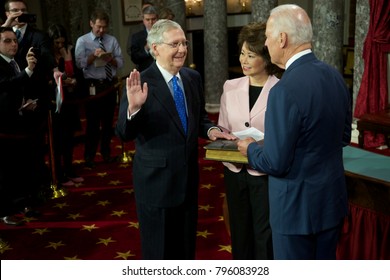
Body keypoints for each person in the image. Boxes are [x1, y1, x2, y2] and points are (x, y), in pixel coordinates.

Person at [237, 4, 352, 260]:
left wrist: (251, 149)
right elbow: (342, 137)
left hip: (295, 214)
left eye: (267, 36)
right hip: (330, 205)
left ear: (282, 38)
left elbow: (275, 163)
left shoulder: (283, 90)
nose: (265, 43)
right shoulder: (335, 77)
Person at [116, 19, 235, 260]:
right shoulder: (139, 82)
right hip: (156, 185)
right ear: (155, 48)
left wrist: (211, 131)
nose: (182, 49)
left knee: (185, 251)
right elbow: (124, 134)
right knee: (160, 254)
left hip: (188, 181)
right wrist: (134, 109)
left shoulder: (192, 77)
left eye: (184, 43)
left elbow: (198, 118)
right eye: (175, 44)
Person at [218, 22, 282, 260]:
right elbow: (224, 128)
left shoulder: (281, 90)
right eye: (242, 53)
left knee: (264, 235)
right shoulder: (230, 86)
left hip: (266, 174)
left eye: (251, 55)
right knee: (239, 231)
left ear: (266, 59)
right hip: (235, 171)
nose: (244, 60)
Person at [2, 0, 58, 213]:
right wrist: (6, 25)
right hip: (8, 113)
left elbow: (46, 54)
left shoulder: (38, 35)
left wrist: (53, 69)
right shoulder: (4, 34)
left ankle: (33, 194)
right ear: (7, 13)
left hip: (32, 100)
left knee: (33, 153)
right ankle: (16, 201)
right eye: (15, 11)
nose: (20, 14)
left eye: (24, 11)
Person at [75, 9, 124, 167]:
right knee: (93, 124)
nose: (101, 30)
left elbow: (121, 62)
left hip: (109, 84)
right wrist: (93, 56)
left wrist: (109, 58)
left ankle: (106, 154)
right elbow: (80, 64)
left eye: (104, 27)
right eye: (98, 27)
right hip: (93, 86)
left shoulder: (111, 40)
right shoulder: (82, 41)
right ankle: (89, 157)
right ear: (91, 23)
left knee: (108, 122)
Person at [0, 26, 38, 226]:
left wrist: (27, 102)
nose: (13, 44)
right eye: (7, 41)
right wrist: (28, 71)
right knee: (6, 171)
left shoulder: (16, 61)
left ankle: (23, 204)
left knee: (22, 168)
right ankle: (6, 211)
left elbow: (18, 88)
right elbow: (5, 84)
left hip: (20, 123)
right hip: (4, 127)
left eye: (14, 40)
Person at [47, 24, 83, 187]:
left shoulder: (68, 52)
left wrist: (68, 60)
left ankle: (69, 170)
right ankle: (59, 174)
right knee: (58, 142)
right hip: (54, 105)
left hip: (69, 101)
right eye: (57, 43)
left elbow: (75, 75)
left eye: (62, 42)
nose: (60, 46)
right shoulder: (46, 56)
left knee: (69, 140)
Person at [130, 5, 158, 71]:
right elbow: (134, 59)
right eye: (148, 19)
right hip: (146, 73)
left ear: (157, 19)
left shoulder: (164, 34)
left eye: (153, 19)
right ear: (143, 20)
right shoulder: (137, 37)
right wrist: (145, 49)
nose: (151, 22)